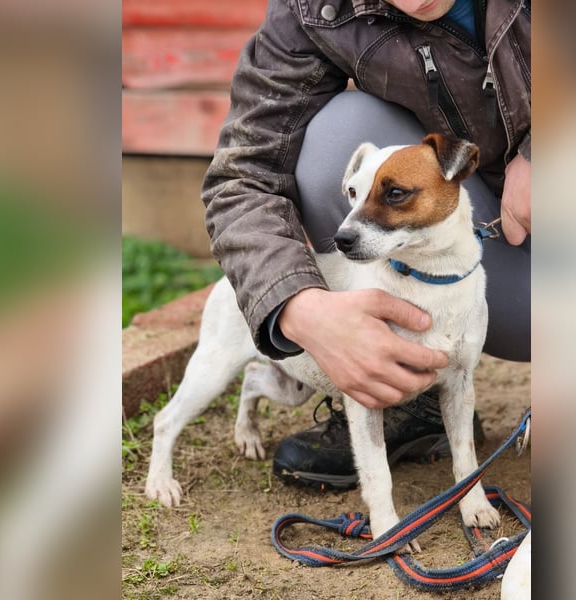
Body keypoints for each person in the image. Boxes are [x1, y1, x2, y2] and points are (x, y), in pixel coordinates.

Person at [202, 0, 531, 489]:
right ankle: (411, 394)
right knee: (335, 135)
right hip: (500, 257)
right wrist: (296, 305)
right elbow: (243, 176)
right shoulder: (311, 8)